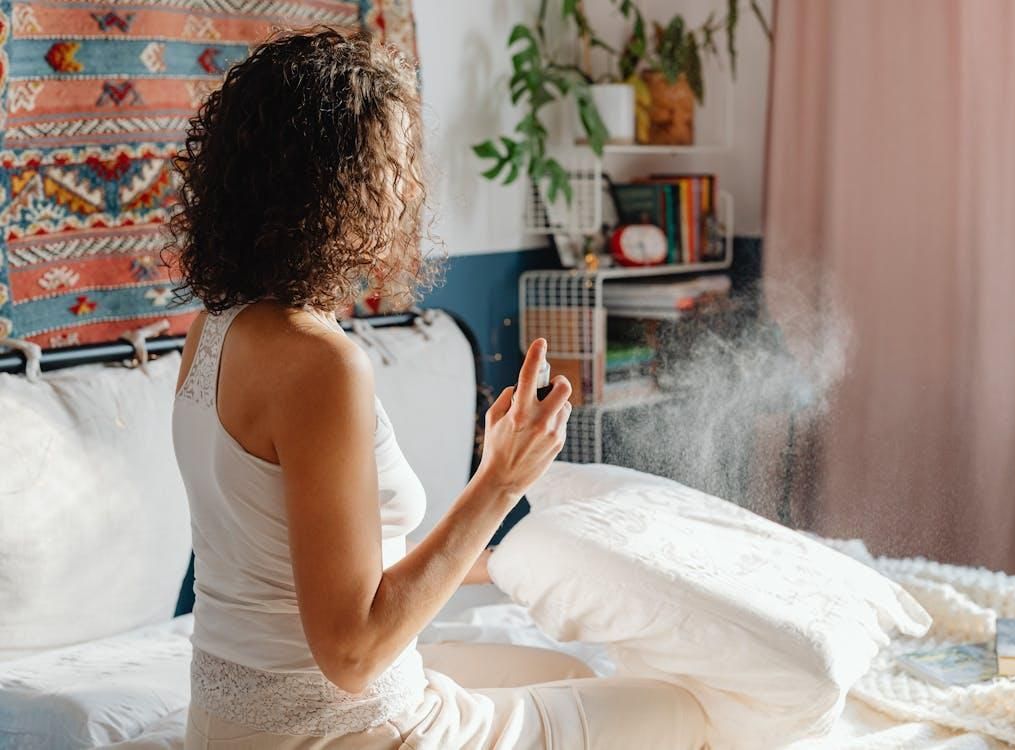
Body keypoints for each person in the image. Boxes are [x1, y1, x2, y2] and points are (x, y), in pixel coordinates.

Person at [170, 27, 707, 749]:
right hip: (346, 733)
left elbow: (318, 567)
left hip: (227, 727)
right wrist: (499, 482)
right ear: (333, 184)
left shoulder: (213, 329)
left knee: (558, 665)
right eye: (395, 162)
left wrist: (523, 560)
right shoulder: (320, 364)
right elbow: (353, 653)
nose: (411, 186)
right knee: (687, 712)